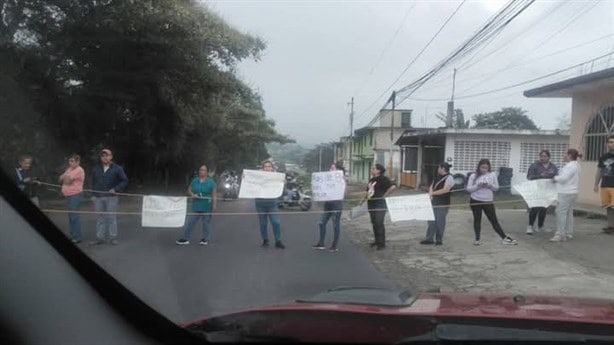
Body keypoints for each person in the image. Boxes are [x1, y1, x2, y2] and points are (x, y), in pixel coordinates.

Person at [466, 159, 517, 245]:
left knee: (493, 220)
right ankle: (477, 239)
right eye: (482, 167)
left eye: (486, 168)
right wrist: (478, 186)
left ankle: (504, 237)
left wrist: (489, 186)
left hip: (488, 201)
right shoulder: (473, 176)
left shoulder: (492, 175)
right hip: (475, 200)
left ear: (489, 168)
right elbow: (468, 189)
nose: (484, 169)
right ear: (479, 167)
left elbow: (496, 188)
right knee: (477, 219)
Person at [89, 149, 128, 246]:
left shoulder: (117, 168)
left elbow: (124, 181)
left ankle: (113, 238)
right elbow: (92, 182)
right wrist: (92, 195)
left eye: (107, 155)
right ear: (101, 157)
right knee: (99, 218)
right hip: (98, 197)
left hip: (111, 197)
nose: (105, 157)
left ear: (111, 157)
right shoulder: (96, 168)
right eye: (103, 156)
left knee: (111, 218)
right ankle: (100, 238)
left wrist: (116, 189)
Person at [176, 165, 218, 245]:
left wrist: (214, 205)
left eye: (203, 170)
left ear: (206, 172)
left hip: (207, 205)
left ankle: (204, 239)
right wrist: (192, 195)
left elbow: (214, 194)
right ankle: (186, 239)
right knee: (191, 222)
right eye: (200, 170)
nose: (201, 171)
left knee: (206, 223)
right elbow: (189, 190)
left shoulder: (211, 182)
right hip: (196, 205)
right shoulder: (195, 180)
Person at [359, 164, 396, 250]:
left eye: (373, 169)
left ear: (378, 170)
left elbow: (393, 187)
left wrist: (385, 195)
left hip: (379, 203)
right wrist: (362, 200)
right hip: (371, 203)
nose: (371, 170)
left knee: (379, 222)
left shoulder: (383, 179)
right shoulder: (371, 180)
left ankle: (381, 243)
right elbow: (367, 191)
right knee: (374, 222)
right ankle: (376, 241)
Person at [312, 163, 346, 252]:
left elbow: (342, 190)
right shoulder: (327, 179)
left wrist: (343, 180)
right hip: (327, 204)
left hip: (336, 205)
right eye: (330, 168)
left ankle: (334, 245)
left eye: (332, 168)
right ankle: (321, 243)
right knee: (321, 223)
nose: (330, 170)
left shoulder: (341, 179)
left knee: (335, 225)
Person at [551, 149, 582, 242]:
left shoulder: (570, 166)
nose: (564, 156)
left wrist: (555, 178)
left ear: (570, 155)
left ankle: (560, 234)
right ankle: (568, 233)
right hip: (572, 192)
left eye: (565, 154)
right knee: (568, 213)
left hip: (565, 192)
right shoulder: (577, 165)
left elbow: (564, 178)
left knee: (560, 213)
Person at [420, 162, 454, 246]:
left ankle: (439, 240)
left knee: (440, 222)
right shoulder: (437, 177)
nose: (437, 169)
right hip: (434, 201)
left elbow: (445, 190)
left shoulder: (450, 178)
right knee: (431, 221)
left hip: (443, 203)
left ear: (443, 168)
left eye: (439, 168)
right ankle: (429, 239)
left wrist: (433, 193)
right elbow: (432, 186)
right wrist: (430, 194)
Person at [526, 150, 559, 234]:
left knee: (544, 208)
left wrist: (555, 179)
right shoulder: (534, 166)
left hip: (547, 191)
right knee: (535, 208)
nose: (543, 158)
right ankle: (530, 226)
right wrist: (540, 176)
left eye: (545, 156)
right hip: (536, 190)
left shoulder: (553, 167)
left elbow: (557, 176)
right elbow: (529, 177)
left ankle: (540, 226)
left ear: (549, 157)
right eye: (541, 156)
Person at [255, 160, 285, 249]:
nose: (267, 168)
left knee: (276, 222)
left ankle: (278, 240)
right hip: (260, 203)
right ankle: (265, 240)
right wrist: (245, 178)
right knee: (263, 223)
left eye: (269, 166)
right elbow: (249, 182)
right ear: (262, 168)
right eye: (265, 166)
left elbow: (282, 186)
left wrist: (284, 181)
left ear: (272, 168)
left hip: (272, 203)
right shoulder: (257, 177)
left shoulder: (276, 176)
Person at [59, 154, 85, 244]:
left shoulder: (79, 170)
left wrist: (65, 177)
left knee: (74, 216)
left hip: (75, 195)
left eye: (73, 161)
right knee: (70, 216)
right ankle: (73, 235)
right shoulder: (69, 169)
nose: (71, 163)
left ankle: (77, 237)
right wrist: (65, 177)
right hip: (68, 195)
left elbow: (67, 181)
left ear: (78, 162)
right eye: (70, 161)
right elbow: (59, 179)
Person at [594, 135, 614, 233]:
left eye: (613, 142)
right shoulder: (603, 157)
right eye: (610, 142)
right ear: (607, 144)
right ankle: (611, 226)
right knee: (608, 207)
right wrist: (596, 184)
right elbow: (599, 171)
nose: (612, 144)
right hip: (605, 185)